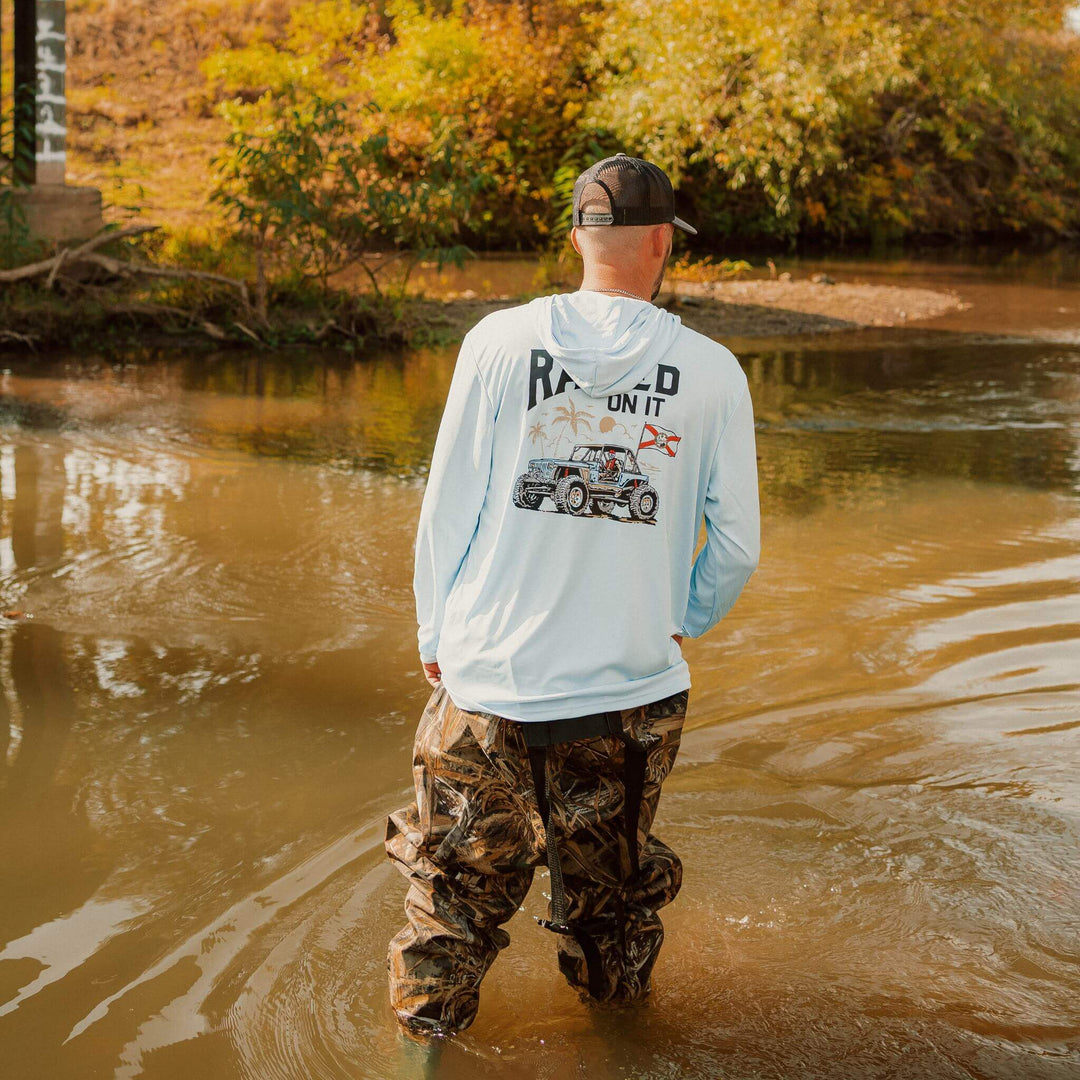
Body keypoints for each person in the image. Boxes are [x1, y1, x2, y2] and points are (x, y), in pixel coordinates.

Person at [385, 152, 761, 1038]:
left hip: (486, 688)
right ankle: (619, 1046)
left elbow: (446, 513)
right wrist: (679, 622)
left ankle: (420, 1054)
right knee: (612, 918)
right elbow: (736, 548)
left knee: (448, 907)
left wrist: (435, 634)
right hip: (627, 695)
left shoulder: (495, 342)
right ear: (663, 244)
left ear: (576, 238)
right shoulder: (712, 372)